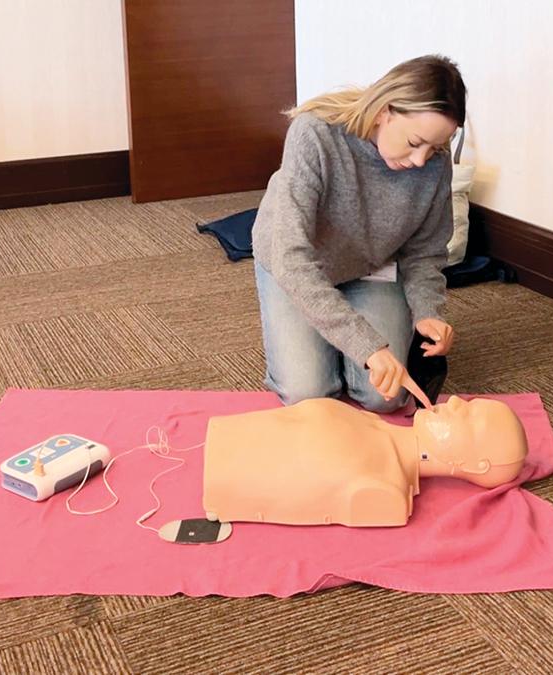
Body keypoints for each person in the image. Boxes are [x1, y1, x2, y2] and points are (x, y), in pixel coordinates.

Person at [252, 54, 466, 413]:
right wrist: (366, 345)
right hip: (297, 266)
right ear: (384, 111)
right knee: (308, 393)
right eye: (415, 142)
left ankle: (339, 340)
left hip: (370, 266)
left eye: (434, 148)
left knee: (384, 397)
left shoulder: (436, 164)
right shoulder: (314, 134)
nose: (420, 160)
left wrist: (428, 312)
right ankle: (331, 344)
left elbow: (425, 252)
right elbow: (291, 258)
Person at [203, 395, 528, 527]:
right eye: (468, 403)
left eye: (469, 416)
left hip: (220, 478)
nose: (455, 400)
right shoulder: (374, 427)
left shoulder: (381, 489)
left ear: (476, 465)